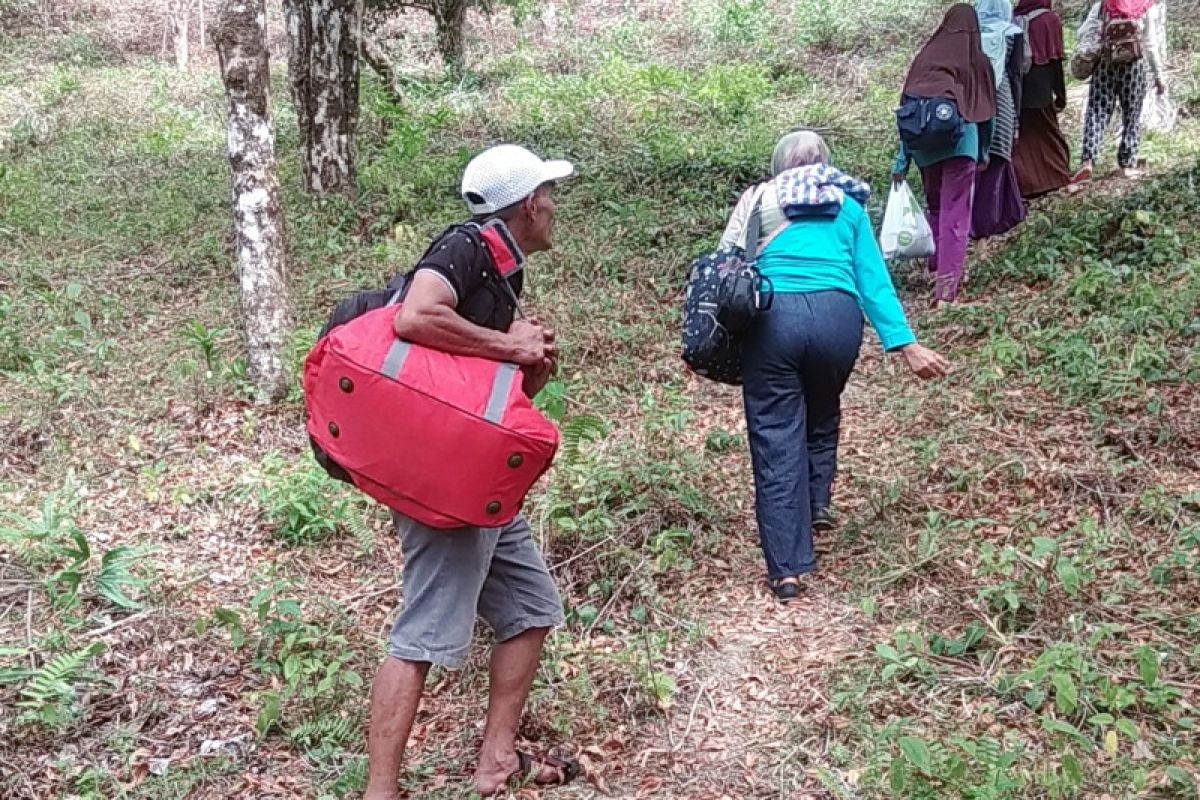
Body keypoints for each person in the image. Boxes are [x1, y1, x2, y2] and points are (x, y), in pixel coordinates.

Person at [364, 144, 580, 799]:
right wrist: (508, 344)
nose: (553, 206)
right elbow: (416, 315)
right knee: (424, 632)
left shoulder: (502, 272)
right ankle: (380, 790)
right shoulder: (465, 246)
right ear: (528, 202)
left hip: (474, 475)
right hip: (442, 485)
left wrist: (528, 374)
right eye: (549, 193)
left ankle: (495, 762)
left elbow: (473, 399)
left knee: (531, 608)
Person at [721, 131, 949, 602]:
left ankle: (787, 570)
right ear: (824, 162)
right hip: (838, 321)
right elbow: (873, 280)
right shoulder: (849, 205)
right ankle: (816, 500)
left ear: (779, 164)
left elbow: (726, 265)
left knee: (776, 433)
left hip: (773, 320)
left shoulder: (760, 197)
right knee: (822, 407)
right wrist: (906, 346)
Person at [892, 4, 997, 304]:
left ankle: (937, 265)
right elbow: (986, 113)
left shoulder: (925, 58)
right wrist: (984, 151)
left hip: (924, 147)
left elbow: (907, 112)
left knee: (936, 206)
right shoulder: (976, 60)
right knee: (955, 214)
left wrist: (902, 160)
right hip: (961, 146)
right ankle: (946, 289)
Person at [1072, 0, 1167, 183]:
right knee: (1131, 115)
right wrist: (1158, 76)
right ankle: (1127, 165)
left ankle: (1088, 161)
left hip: (1105, 64)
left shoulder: (1103, 5)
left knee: (1097, 111)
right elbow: (1150, 44)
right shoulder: (1145, 7)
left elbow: (1083, 32)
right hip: (1133, 67)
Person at [971, 0, 1026, 238]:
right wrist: (1016, 116)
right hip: (1001, 100)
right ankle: (991, 222)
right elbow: (1015, 74)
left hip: (973, 100)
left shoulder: (971, 33)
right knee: (998, 157)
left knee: (975, 160)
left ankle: (972, 222)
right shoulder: (1011, 32)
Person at [1012, 0, 1071, 197]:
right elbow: (1055, 61)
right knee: (1050, 136)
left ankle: (1027, 186)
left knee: (1025, 140)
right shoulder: (1049, 19)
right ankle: (1057, 177)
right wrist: (1061, 95)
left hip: (1017, 90)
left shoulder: (1015, 19)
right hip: (1041, 89)